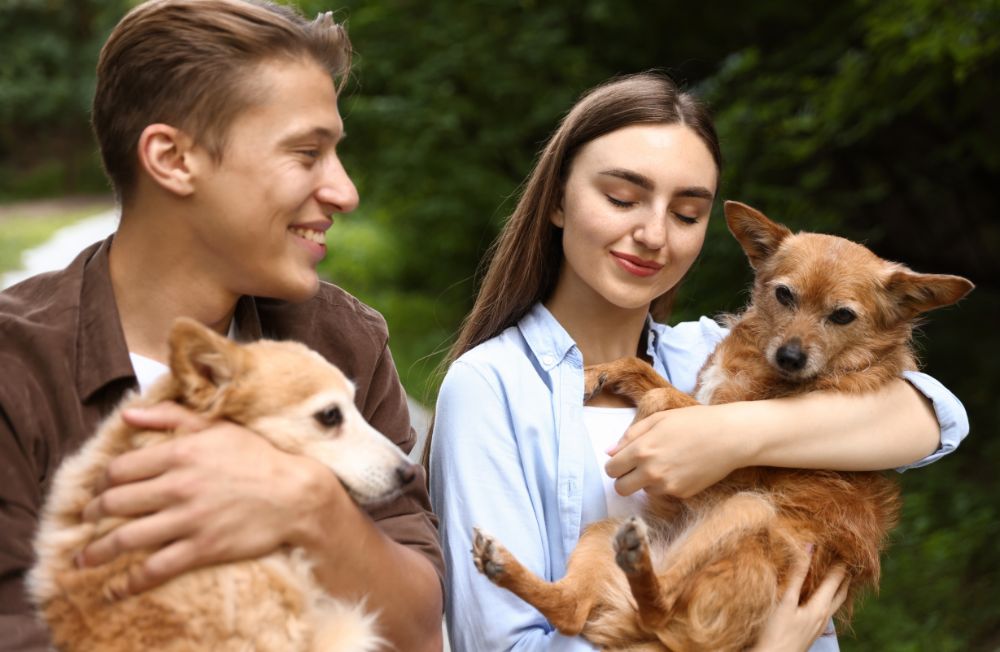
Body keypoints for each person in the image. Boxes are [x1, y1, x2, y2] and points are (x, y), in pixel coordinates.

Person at [428, 72, 968, 651]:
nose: (653, 234)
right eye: (622, 199)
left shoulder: (710, 352)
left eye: (687, 214)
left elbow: (936, 417)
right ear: (557, 200)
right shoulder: (493, 386)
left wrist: (728, 434)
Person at [0, 1, 443, 650]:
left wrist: (312, 507)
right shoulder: (15, 369)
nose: (345, 192)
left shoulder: (344, 339)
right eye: (307, 153)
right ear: (173, 159)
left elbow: (420, 630)